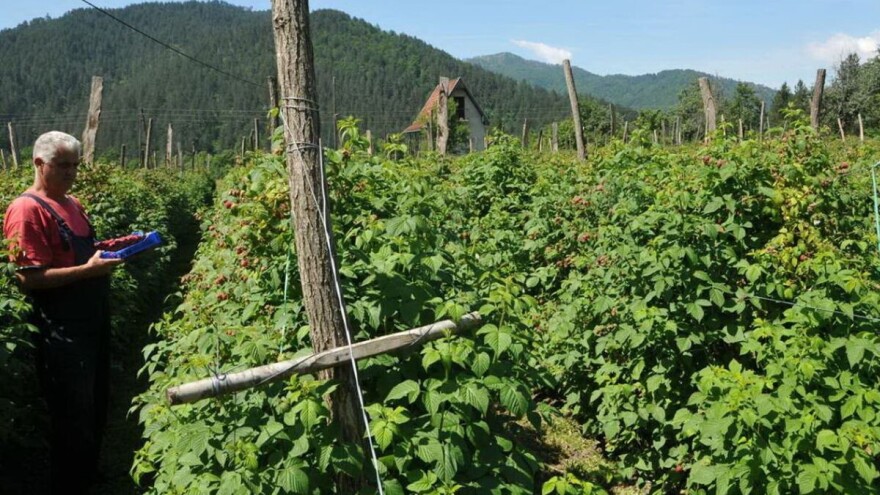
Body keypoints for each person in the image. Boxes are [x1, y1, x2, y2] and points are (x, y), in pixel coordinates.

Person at [2, 131, 129, 494]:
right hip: (62, 329)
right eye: (63, 166)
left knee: (94, 402)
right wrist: (88, 272)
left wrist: (120, 247)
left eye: (76, 165)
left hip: (92, 320)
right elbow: (30, 279)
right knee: (71, 412)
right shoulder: (27, 210)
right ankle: (69, 482)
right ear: (39, 164)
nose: (71, 173)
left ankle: (88, 474)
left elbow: (82, 249)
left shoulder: (72, 202)